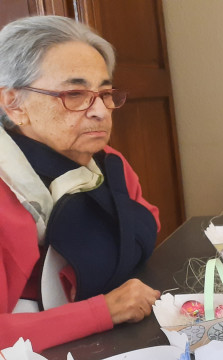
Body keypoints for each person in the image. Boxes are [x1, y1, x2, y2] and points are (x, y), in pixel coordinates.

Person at [0, 16, 162, 351]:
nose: (101, 111)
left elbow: (147, 224)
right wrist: (103, 311)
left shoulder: (109, 163)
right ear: (14, 104)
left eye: (105, 93)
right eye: (75, 94)